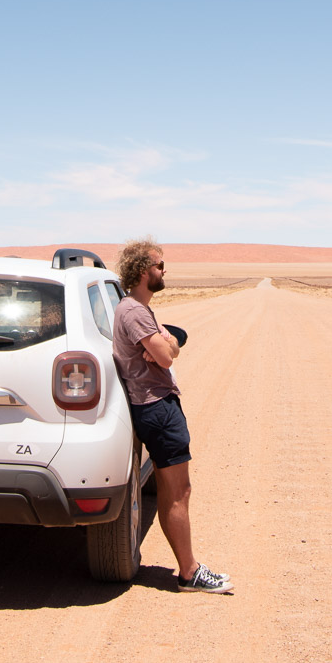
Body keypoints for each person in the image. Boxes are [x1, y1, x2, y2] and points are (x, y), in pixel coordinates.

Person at [112, 238, 232, 593]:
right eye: (159, 266)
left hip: (158, 405)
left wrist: (165, 345)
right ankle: (189, 572)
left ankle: (187, 569)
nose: (165, 271)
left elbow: (169, 347)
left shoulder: (138, 310)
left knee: (172, 490)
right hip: (157, 407)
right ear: (141, 270)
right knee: (178, 491)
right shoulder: (134, 311)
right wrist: (163, 347)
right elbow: (165, 356)